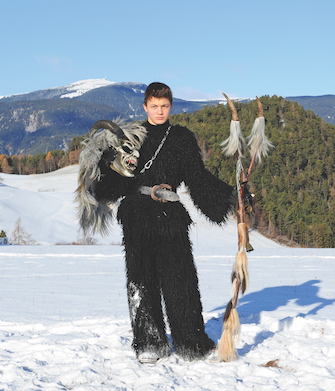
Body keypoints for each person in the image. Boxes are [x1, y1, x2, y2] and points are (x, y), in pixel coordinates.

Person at [92, 82, 236, 363]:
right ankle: (149, 343)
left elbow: (197, 178)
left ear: (171, 106)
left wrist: (231, 198)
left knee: (181, 280)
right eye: (154, 106)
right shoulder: (129, 138)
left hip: (170, 215)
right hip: (136, 214)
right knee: (141, 282)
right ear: (145, 106)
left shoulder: (181, 138)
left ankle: (190, 342)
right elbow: (113, 183)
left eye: (165, 106)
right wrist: (105, 163)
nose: (160, 111)